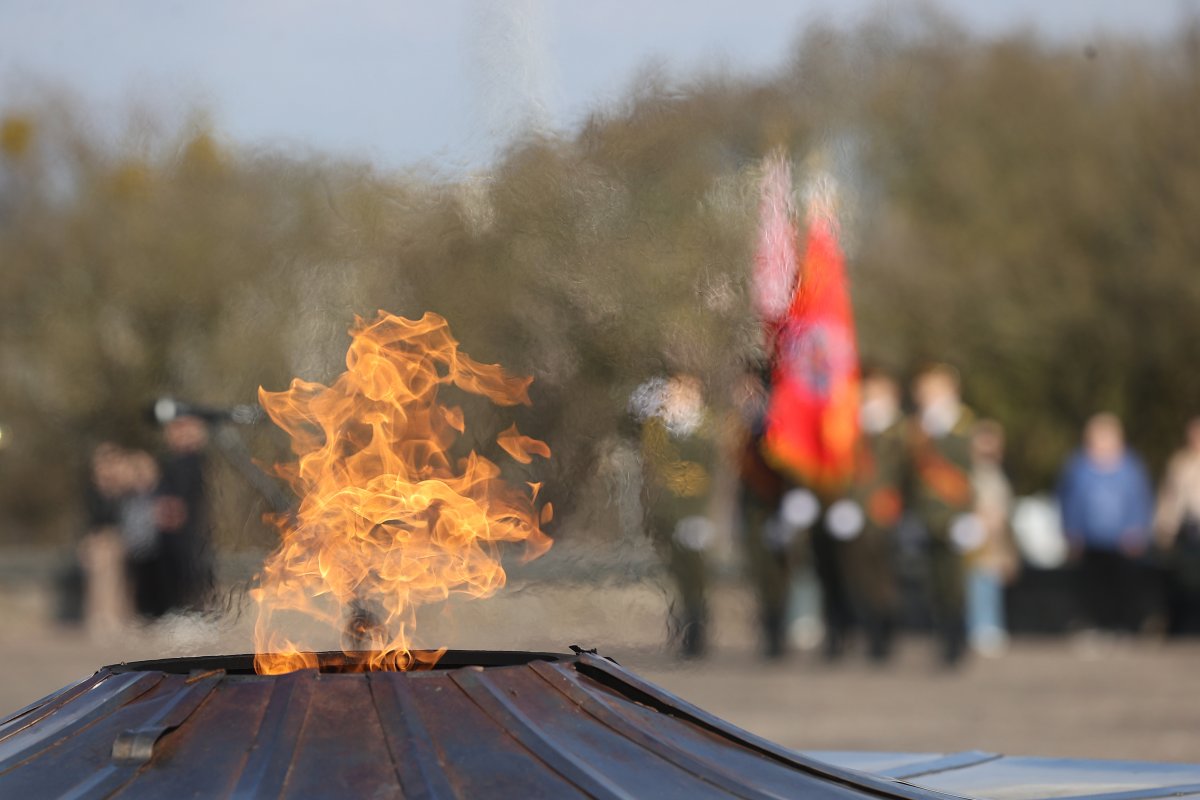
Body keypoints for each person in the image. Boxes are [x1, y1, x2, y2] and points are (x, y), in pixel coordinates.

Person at [638, 374, 716, 658]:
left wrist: (704, 516)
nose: (676, 398)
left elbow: (715, 476)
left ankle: (698, 632)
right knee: (677, 576)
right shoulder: (659, 429)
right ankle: (682, 630)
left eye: (683, 392)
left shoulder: (707, 433)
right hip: (667, 516)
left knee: (695, 579)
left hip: (695, 513)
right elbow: (654, 471)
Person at [1058, 413, 1154, 634]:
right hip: (1090, 538)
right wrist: (1071, 530)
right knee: (1092, 584)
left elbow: (1140, 498)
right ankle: (1094, 624)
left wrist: (1138, 527)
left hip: (1122, 539)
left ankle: (1122, 625)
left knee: (1123, 583)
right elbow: (1068, 499)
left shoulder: (1131, 466)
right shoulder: (1078, 466)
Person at [909, 364, 975, 666]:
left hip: (955, 513)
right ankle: (943, 638)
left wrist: (970, 514)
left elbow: (971, 472)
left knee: (955, 582)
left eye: (934, 390)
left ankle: (958, 639)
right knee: (935, 582)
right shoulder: (918, 428)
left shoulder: (963, 425)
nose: (928, 397)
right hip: (928, 516)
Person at [839, 367, 906, 663]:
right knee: (862, 578)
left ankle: (887, 632)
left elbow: (908, 474)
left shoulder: (903, 431)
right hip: (859, 513)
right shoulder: (852, 430)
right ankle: (872, 636)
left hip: (889, 512)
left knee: (886, 578)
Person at [734, 366, 792, 658]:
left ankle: (779, 632)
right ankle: (770, 632)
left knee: (778, 575)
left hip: (777, 506)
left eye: (752, 389)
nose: (746, 396)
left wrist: (787, 507)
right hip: (752, 509)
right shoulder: (744, 426)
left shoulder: (779, 425)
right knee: (760, 573)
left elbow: (788, 469)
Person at [966, 419, 1018, 656]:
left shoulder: (998, 474)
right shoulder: (970, 473)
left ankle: (991, 625)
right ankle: (979, 627)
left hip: (995, 540)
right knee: (976, 584)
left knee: (990, 583)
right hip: (975, 537)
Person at [155, 414, 215, 612]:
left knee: (194, 566)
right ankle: (181, 608)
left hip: (191, 526)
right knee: (176, 568)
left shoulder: (196, 461)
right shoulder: (170, 461)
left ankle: (199, 610)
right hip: (173, 529)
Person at [1154, 417, 1200, 634]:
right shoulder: (1180, 463)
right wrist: (1165, 526)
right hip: (1189, 532)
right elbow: (1170, 499)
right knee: (1186, 583)